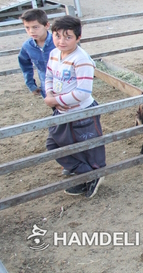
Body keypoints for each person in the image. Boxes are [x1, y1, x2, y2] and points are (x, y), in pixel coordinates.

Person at [44, 16, 106, 198]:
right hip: (62, 111)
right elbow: (49, 76)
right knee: (54, 145)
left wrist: (55, 101)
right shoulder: (54, 54)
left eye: (67, 37)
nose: (61, 41)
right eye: (57, 36)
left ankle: (91, 176)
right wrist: (49, 94)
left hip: (82, 112)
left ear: (78, 38)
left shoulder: (82, 60)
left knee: (88, 147)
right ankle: (86, 173)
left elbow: (83, 93)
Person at [18, 9, 55, 99]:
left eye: (35, 27)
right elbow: (25, 66)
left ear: (46, 25)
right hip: (46, 87)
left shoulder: (58, 42)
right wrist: (31, 85)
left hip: (66, 85)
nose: (31, 31)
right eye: (27, 27)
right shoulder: (27, 46)